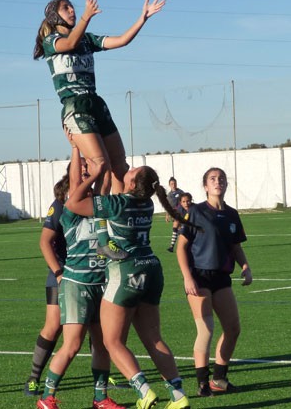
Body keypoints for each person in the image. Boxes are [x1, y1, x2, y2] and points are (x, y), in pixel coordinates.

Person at [65, 161, 192, 409]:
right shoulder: (147, 202)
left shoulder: (117, 204)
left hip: (126, 271)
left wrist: (94, 175)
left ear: (132, 183)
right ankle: (178, 395)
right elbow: (120, 181)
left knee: (111, 342)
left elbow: (73, 203)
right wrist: (113, 169)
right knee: (154, 338)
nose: (129, 168)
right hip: (152, 268)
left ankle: (144, 391)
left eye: (133, 171)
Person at [33, 0, 165, 198]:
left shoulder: (87, 39)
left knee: (119, 166)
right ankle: (99, 220)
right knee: (100, 165)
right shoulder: (51, 41)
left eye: (72, 7)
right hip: (75, 106)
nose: (72, 11)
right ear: (53, 16)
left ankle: (119, 216)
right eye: (66, 8)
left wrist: (143, 18)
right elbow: (69, 44)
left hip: (95, 103)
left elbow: (121, 41)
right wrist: (86, 17)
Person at [36, 151, 125, 409]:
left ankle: (100, 398)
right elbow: (76, 183)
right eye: (83, 172)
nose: (88, 177)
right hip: (77, 284)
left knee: (102, 344)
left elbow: (105, 182)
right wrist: (77, 147)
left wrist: (103, 156)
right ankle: (46, 397)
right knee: (73, 344)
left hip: (102, 283)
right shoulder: (70, 209)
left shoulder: (98, 205)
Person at [176, 167, 253, 397]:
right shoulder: (196, 212)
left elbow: (235, 246)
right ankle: (202, 383)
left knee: (233, 328)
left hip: (222, 278)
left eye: (221, 179)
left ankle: (218, 379)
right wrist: (187, 276)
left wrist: (246, 267)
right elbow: (181, 247)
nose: (217, 182)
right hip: (199, 277)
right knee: (206, 330)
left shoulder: (231, 214)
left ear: (226, 184)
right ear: (205, 186)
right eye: (212, 179)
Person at [24, 158, 76, 396]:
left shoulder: (95, 200)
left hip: (90, 273)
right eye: (82, 167)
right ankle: (34, 378)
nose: (87, 170)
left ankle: (103, 377)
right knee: (54, 326)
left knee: (98, 327)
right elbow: (44, 242)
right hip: (62, 272)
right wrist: (58, 271)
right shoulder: (60, 204)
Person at [165, 177, 185, 252]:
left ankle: (171, 246)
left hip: (181, 212)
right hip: (173, 214)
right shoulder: (169, 195)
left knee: (175, 227)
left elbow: (185, 200)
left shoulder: (180, 192)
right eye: (172, 184)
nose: (173, 185)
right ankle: (183, 244)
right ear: (169, 185)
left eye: (174, 183)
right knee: (179, 229)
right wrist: (167, 215)